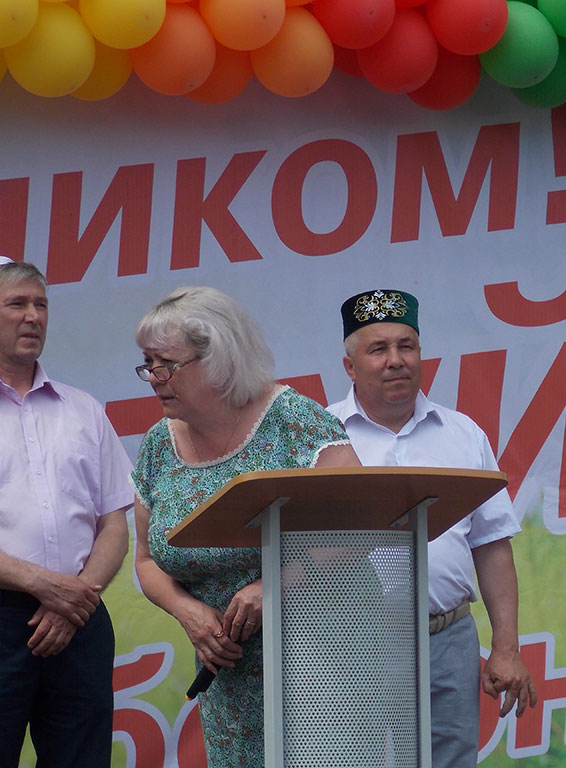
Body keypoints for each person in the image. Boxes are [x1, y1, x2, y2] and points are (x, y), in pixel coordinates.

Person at [130, 286, 361, 768]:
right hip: (229, 681)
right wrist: (187, 612)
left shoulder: (294, 422)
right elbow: (147, 561)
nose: (153, 378)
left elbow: (358, 524)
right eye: (147, 364)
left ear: (219, 359)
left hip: (326, 664)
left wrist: (276, 584)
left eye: (165, 364)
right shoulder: (157, 446)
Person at [327, 288, 537, 767]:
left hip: (446, 638)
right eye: (378, 349)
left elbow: (491, 544)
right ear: (350, 367)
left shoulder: (462, 434)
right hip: (349, 644)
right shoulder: (320, 435)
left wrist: (506, 647)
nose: (396, 360)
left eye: (407, 346)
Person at [0, 257, 133, 768]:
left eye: (41, 305)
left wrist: (74, 597)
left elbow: (113, 522)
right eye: (17, 304)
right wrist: (44, 586)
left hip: (80, 618)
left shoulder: (83, 410)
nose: (33, 316)